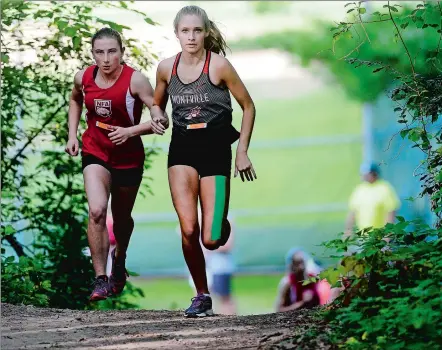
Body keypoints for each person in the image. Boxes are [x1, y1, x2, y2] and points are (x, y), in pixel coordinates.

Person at [152, 5, 257, 317]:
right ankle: (202, 294)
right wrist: (157, 115)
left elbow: (248, 106)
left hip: (215, 152)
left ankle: (219, 222)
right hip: (181, 152)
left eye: (197, 30)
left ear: (206, 32)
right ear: (176, 34)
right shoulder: (166, 68)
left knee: (210, 239)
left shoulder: (220, 66)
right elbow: (156, 104)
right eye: (185, 31)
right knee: (188, 229)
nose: (191, 36)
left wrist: (242, 152)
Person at [65, 27, 168, 301]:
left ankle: (119, 259)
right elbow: (75, 99)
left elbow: (160, 117)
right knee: (97, 211)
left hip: (128, 157)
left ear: (122, 52)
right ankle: (100, 279)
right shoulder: (84, 77)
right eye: (100, 52)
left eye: (112, 51)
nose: (106, 58)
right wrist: (72, 134)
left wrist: (131, 131)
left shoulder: (135, 81)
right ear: (93, 54)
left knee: (121, 219)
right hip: (94, 151)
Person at [344, 162, 401, 245]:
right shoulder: (360, 189)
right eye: (363, 174)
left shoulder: (385, 188)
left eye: (368, 174)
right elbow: (353, 212)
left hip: (380, 237)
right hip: (363, 238)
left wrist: (387, 235)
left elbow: (390, 212)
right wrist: (348, 232)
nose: (365, 176)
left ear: (375, 174)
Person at [275, 248, 321, 312]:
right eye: (297, 264)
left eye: (302, 262)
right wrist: (302, 303)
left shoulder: (313, 279)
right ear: (291, 266)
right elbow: (279, 310)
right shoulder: (287, 283)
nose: (301, 267)